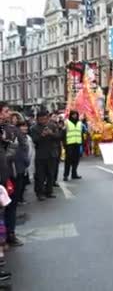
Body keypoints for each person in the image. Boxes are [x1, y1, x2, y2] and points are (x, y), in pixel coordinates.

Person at [0, 103, 25, 247]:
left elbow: (23, 146)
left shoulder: (13, 130)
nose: (9, 114)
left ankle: (11, 234)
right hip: (3, 173)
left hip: (14, 172)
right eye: (6, 111)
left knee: (11, 205)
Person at [30, 110, 61, 201]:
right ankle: (39, 193)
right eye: (41, 119)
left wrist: (51, 133)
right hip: (40, 155)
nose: (43, 121)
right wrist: (42, 135)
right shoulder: (34, 128)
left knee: (51, 174)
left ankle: (49, 191)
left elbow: (59, 137)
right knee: (40, 175)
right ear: (37, 119)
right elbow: (35, 141)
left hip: (52, 154)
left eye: (45, 119)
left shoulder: (52, 125)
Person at [63, 110, 84, 181]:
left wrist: (82, 142)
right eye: (73, 114)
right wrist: (64, 143)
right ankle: (66, 175)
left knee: (76, 160)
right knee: (68, 160)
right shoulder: (66, 122)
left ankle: (74, 174)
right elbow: (64, 133)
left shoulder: (80, 123)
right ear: (71, 115)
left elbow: (81, 133)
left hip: (77, 143)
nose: (74, 116)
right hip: (69, 144)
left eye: (76, 114)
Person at [13, 122, 30, 205]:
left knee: (22, 182)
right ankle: (17, 199)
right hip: (19, 163)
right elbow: (21, 152)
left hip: (24, 163)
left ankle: (19, 198)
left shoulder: (26, 137)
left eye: (26, 126)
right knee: (19, 183)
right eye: (23, 126)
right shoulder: (18, 138)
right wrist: (27, 161)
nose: (25, 128)